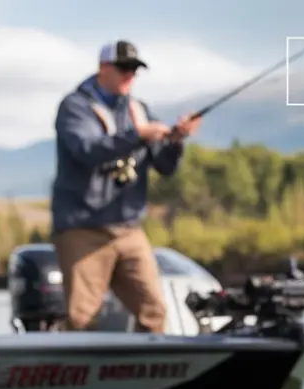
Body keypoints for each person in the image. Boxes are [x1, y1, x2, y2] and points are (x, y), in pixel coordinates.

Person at [50, 39, 201, 333]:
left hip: (129, 230)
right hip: (83, 230)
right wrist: (139, 135)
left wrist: (176, 139)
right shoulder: (74, 108)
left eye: (134, 70)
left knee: (154, 312)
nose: (129, 75)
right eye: (123, 69)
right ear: (103, 68)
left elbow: (166, 167)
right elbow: (88, 150)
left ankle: (151, 376)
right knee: (81, 319)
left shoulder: (139, 109)